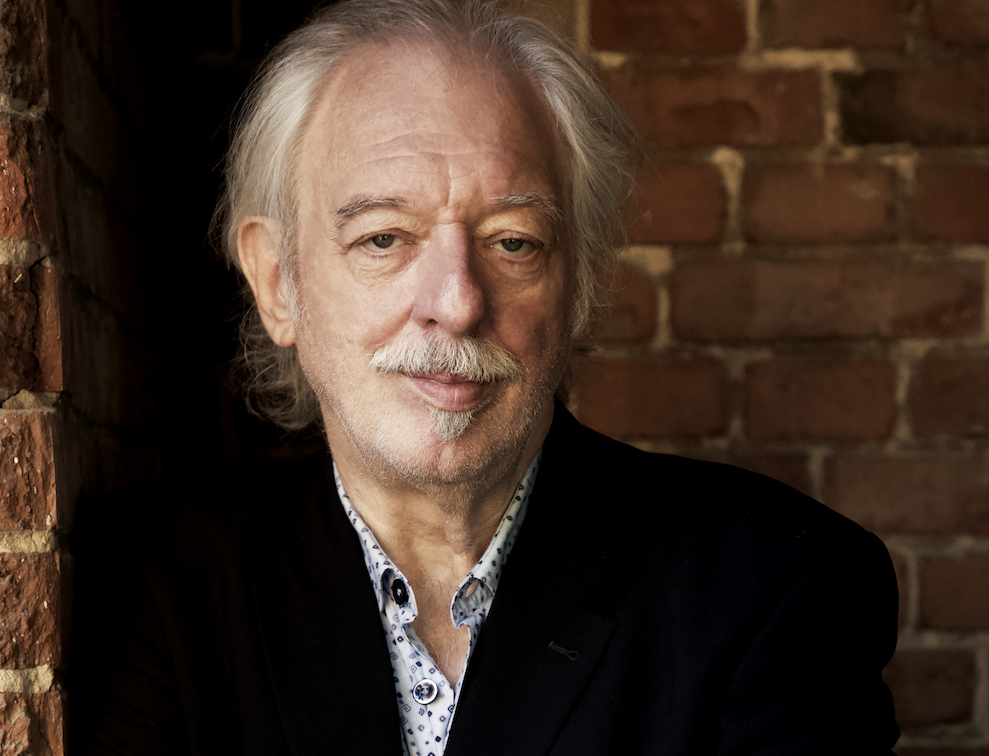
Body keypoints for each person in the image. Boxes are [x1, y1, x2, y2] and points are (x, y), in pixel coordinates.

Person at [69, 1, 900, 754]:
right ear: (277, 281)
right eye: (384, 239)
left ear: (576, 284)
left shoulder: (772, 589)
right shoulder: (158, 586)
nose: (458, 302)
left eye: (513, 243)